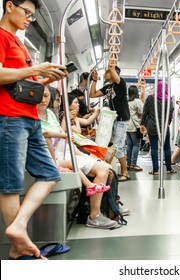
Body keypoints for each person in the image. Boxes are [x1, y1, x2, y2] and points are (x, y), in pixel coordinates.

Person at [0, 0, 68, 260]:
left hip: (30, 119)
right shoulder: (1, 37)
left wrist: (48, 77)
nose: (29, 18)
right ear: (9, 6)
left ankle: (17, 227)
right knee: (10, 185)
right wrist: (36, 68)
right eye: (25, 12)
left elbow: (26, 83)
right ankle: (18, 245)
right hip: (9, 117)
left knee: (49, 174)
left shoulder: (18, 43)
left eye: (32, 14)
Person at [39, 85, 118, 229]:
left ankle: (104, 209)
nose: (46, 100)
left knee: (104, 167)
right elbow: (49, 135)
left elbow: (65, 139)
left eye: (48, 97)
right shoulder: (31, 116)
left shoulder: (50, 114)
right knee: (102, 166)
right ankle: (95, 215)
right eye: (41, 96)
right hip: (51, 157)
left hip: (66, 151)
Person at [90, 61, 131, 181]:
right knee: (117, 146)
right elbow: (92, 94)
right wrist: (94, 80)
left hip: (122, 119)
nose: (106, 73)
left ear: (114, 74)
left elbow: (113, 70)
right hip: (114, 119)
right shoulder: (108, 87)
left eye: (107, 72)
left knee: (117, 147)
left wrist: (111, 65)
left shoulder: (120, 84)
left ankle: (124, 173)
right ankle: (116, 171)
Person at [140, 81, 176, 175]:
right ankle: (169, 169)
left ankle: (155, 170)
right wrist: (168, 122)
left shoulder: (150, 98)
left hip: (152, 125)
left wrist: (142, 124)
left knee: (154, 147)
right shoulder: (169, 100)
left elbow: (145, 112)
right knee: (167, 148)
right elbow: (171, 112)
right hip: (164, 126)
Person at [126, 85, 144, 171]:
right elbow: (142, 112)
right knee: (137, 144)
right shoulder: (137, 101)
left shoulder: (127, 101)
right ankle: (133, 164)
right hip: (135, 125)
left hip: (127, 125)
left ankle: (128, 163)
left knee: (129, 144)